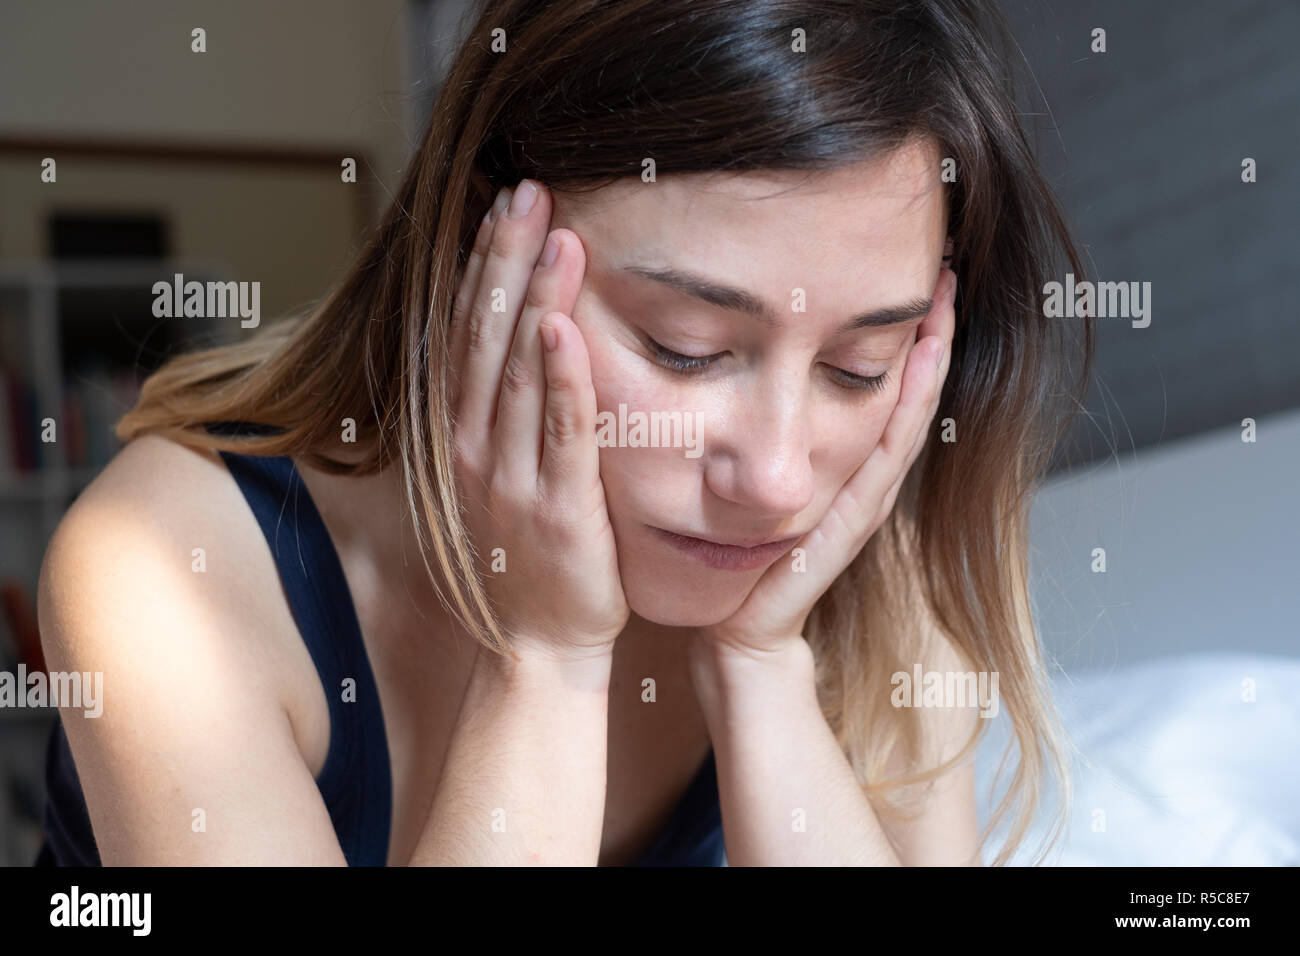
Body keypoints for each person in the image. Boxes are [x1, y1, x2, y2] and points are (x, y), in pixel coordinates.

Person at [35, 0, 1093, 866]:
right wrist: (544, 660)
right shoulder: (163, 564)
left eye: (857, 368)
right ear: (480, 252)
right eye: (684, 346)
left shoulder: (860, 567)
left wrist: (763, 670)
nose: (776, 479)